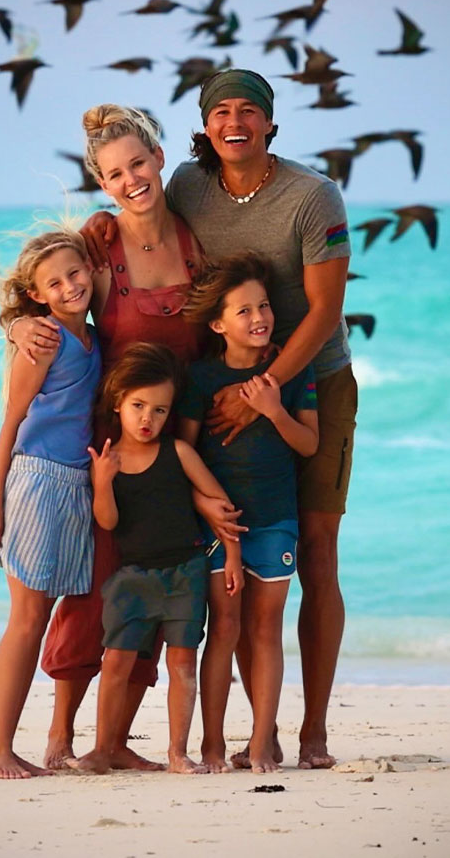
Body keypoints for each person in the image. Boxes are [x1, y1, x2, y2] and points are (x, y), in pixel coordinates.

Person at [77, 69, 356, 770]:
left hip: (310, 381)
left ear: (270, 123)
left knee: (315, 551)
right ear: (203, 129)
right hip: (218, 387)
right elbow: (137, 229)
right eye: (220, 112)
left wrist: (263, 385)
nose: (235, 122)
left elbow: (323, 312)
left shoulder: (312, 194)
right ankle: (194, 738)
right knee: (210, 568)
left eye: (249, 112)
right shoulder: (189, 188)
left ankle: (312, 732)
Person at [7, 106, 240, 770]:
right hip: (106, 449)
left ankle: (112, 744)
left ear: (160, 158)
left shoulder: (196, 243)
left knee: (156, 584)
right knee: (92, 592)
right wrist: (18, 326)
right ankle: (59, 737)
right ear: (103, 184)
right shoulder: (97, 245)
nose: (131, 179)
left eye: (138, 163)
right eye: (115, 173)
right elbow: (48, 294)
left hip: (172, 444)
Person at [69, 342, 243, 775]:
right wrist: (103, 482)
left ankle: (177, 753)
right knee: (116, 663)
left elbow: (220, 502)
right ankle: (103, 748)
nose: (148, 418)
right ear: (119, 403)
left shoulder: (179, 453)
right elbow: (107, 522)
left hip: (185, 572)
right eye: (139, 406)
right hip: (132, 579)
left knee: (182, 662)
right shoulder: (109, 462)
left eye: (160, 411)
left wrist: (234, 556)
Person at [177, 255, 318, 773]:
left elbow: (308, 443)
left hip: (277, 517)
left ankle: (262, 742)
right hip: (219, 525)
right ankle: (212, 743)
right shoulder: (200, 377)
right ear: (217, 324)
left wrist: (273, 409)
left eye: (263, 306)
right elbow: (183, 452)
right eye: (243, 310)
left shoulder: (290, 369)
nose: (259, 317)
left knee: (266, 630)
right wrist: (202, 505)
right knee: (224, 627)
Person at [0, 228, 101, 779]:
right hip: (35, 481)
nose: (70, 286)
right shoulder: (44, 340)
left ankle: (42, 742)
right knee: (27, 620)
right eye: (55, 282)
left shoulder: (94, 337)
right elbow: (12, 422)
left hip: (75, 484)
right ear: (38, 295)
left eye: (76, 273)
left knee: (51, 614)